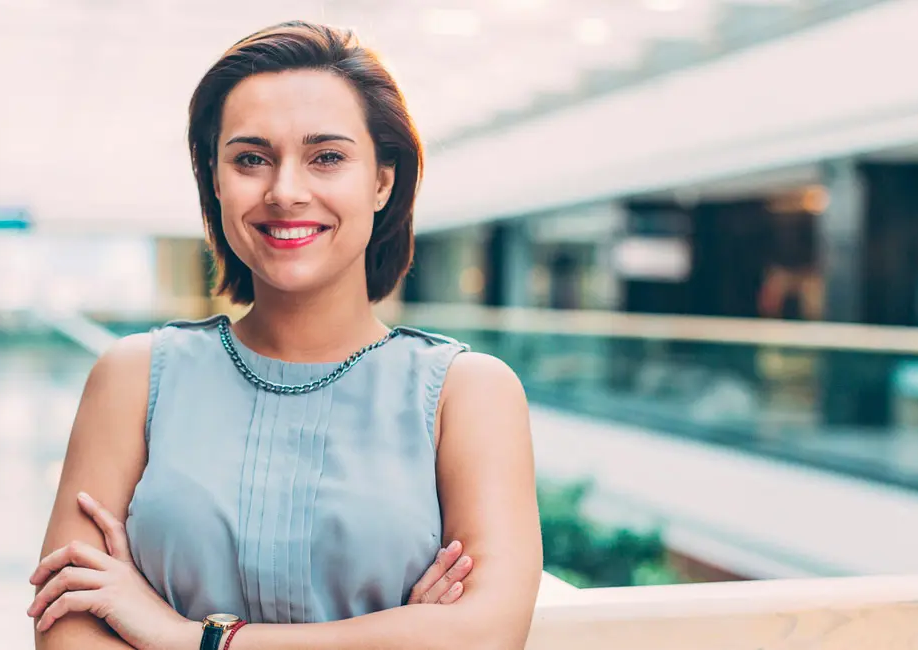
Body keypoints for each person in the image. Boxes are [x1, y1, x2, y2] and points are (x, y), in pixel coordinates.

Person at [27, 20, 543, 650]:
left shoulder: (468, 393)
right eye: (250, 159)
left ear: (382, 180)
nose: (285, 191)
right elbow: (69, 628)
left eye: (326, 156)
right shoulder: (134, 377)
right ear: (215, 182)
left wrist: (188, 637)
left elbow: (483, 637)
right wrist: (399, 633)